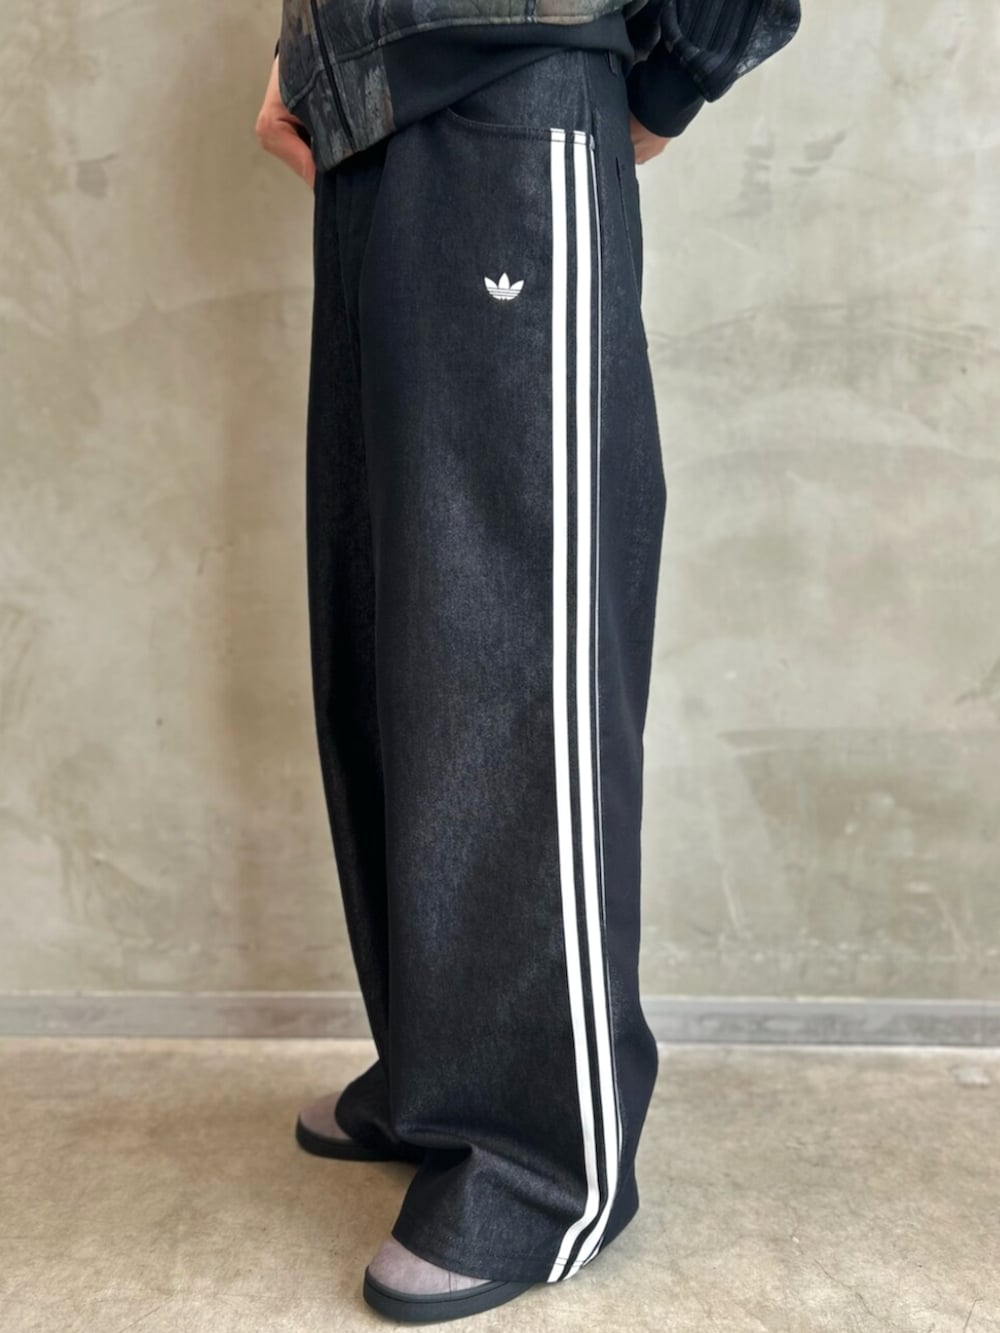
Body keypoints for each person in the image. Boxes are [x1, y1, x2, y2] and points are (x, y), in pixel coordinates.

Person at [255, 2, 801, 1323]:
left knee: (512, 656)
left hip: (518, 92)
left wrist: (673, 76)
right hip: (377, 107)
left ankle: (542, 1162)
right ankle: (443, 1078)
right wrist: (315, 56)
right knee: (389, 623)